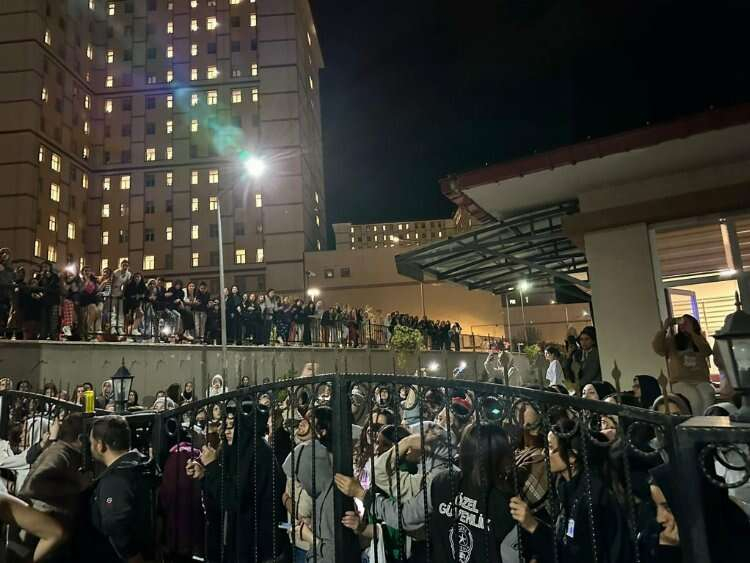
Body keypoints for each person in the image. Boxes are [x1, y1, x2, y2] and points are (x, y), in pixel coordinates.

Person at [509, 418, 631, 563]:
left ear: (572, 456)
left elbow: (578, 556)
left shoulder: (591, 497)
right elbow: (563, 539)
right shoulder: (565, 487)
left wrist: (533, 526)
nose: (543, 453)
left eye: (550, 447)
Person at [84, 415, 153, 562]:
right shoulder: (143, 465)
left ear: (100, 445)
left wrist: (132, 556)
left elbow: (114, 523)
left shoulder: (115, 479)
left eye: (91, 443)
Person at [652, 315, 715, 415]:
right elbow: (658, 348)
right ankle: (696, 422)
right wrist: (665, 328)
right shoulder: (672, 341)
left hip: (701, 380)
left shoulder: (699, 339)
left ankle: (707, 420)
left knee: (708, 395)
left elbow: (707, 351)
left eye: (687, 323)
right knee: (694, 399)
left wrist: (692, 332)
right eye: (682, 323)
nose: (683, 325)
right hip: (680, 381)